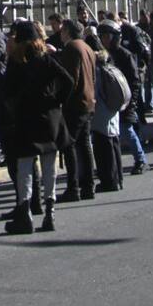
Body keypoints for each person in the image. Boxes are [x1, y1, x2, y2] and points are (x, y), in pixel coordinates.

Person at [1, 21, 73, 234]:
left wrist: (14, 109)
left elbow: (7, 93)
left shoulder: (16, 65)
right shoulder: (47, 61)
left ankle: (25, 212)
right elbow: (68, 82)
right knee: (49, 165)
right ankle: (50, 213)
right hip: (50, 118)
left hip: (26, 119)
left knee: (25, 166)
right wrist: (56, 101)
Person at [55, 20, 97, 202]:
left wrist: (61, 99)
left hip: (75, 103)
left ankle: (74, 187)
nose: (60, 34)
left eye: (63, 30)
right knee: (84, 144)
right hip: (88, 101)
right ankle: (88, 185)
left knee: (70, 145)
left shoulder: (72, 48)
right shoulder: (86, 47)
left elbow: (70, 78)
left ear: (68, 32)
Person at [98, 19, 147, 175]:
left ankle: (141, 160)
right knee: (110, 134)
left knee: (127, 130)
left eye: (107, 36)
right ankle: (112, 165)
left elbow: (134, 81)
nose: (104, 39)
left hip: (124, 100)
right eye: (102, 36)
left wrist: (130, 102)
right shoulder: (102, 55)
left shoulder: (125, 55)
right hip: (108, 100)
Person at [91, 46, 125, 192]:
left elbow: (96, 94)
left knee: (103, 149)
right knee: (114, 145)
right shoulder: (112, 69)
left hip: (101, 115)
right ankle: (119, 178)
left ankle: (109, 180)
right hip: (113, 111)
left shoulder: (98, 73)